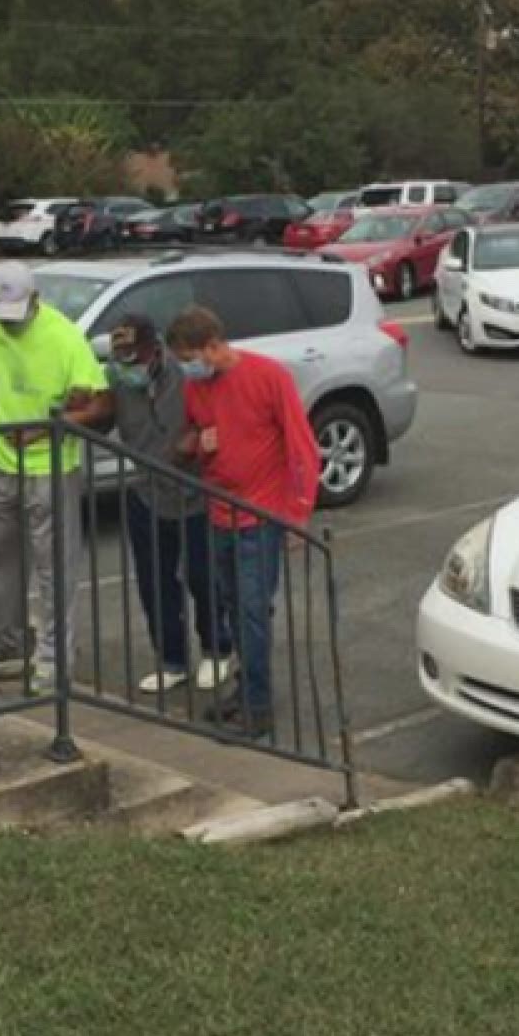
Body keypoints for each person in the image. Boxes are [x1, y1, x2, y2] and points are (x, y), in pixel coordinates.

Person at [0, 261, 112, 694]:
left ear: (35, 301)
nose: (11, 324)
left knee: (53, 566)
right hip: (0, 460)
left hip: (52, 465)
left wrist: (46, 427)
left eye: (18, 315)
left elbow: (100, 406)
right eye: (4, 314)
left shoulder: (63, 338)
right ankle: (4, 642)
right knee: (0, 554)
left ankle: (54, 660)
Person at [167, 305, 320, 738]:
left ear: (213, 346)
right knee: (234, 607)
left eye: (191, 358)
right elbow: (194, 440)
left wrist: (297, 512)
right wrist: (197, 444)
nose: (189, 369)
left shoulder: (268, 376)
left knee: (252, 611)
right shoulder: (197, 390)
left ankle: (258, 705)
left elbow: (301, 446)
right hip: (219, 512)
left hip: (259, 516)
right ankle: (246, 688)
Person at [104, 314, 236, 695]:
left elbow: (216, 416)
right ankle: (172, 658)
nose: (129, 367)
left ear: (154, 349)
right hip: (145, 488)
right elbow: (105, 415)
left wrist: (194, 438)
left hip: (193, 488)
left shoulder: (188, 373)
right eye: (121, 359)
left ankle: (217, 648)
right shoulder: (118, 378)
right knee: (155, 582)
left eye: (135, 358)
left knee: (202, 573)